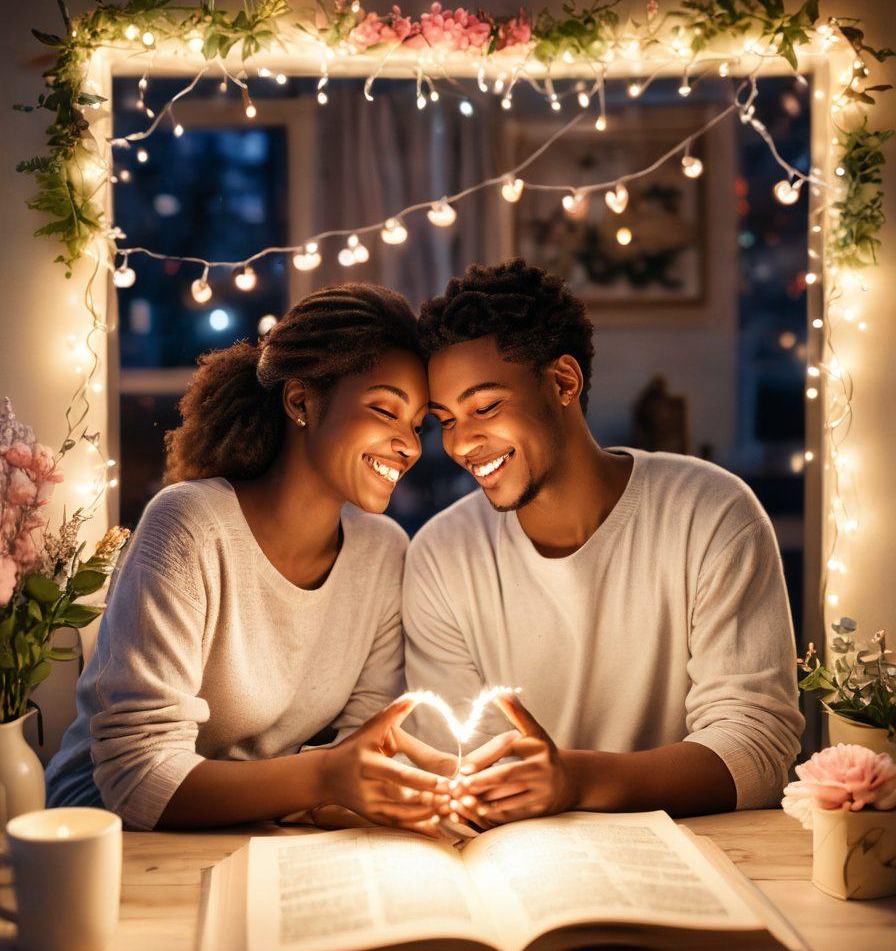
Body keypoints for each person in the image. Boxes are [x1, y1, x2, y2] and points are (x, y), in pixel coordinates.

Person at [46, 284, 471, 835]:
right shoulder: (189, 527)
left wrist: (418, 795)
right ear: (300, 401)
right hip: (110, 839)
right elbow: (136, 776)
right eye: (384, 410)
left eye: (417, 426)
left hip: (263, 828)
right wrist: (324, 779)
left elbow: (361, 744)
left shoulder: (384, 552)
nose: (408, 445)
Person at [403, 259, 804, 828]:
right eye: (444, 419)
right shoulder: (442, 556)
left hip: (697, 853)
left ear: (564, 381)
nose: (462, 442)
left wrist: (577, 780)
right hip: (521, 857)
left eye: (486, 406)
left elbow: (757, 747)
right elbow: (464, 764)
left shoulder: (711, 513)